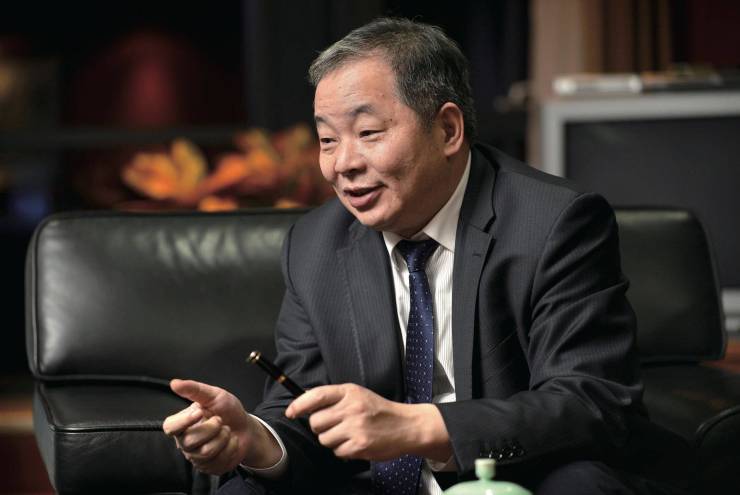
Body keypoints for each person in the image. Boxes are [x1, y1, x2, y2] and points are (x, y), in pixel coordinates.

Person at [163, 17, 692, 495]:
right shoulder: (315, 244)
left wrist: (418, 427)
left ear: (447, 130)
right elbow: (302, 406)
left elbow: (591, 401)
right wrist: (256, 440)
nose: (343, 164)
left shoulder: (554, 223)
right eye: (327, 140)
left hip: (511, 478)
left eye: (368, 133)